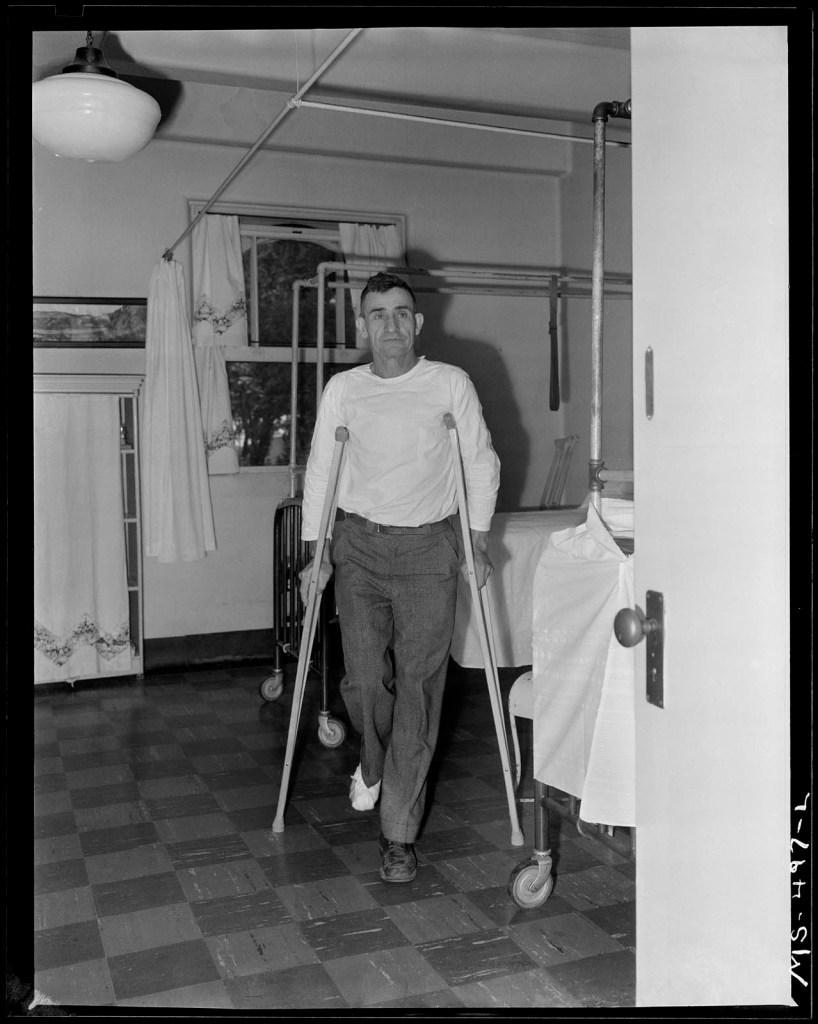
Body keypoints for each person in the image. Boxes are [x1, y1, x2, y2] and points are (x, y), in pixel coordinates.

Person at [299, 271, 500, 883]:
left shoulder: (448, 384)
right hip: (358, 545)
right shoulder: (345, 390)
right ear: (362, 326)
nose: (390, 324)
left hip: (429, 550)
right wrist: (318, 551)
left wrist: (479, 541)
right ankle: (374, 756)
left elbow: (479, 460)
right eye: (377, 313)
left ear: (417, 323)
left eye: (401, 313)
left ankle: (398, 833)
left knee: (419, 690)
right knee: (364, 682)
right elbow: (319, 470)